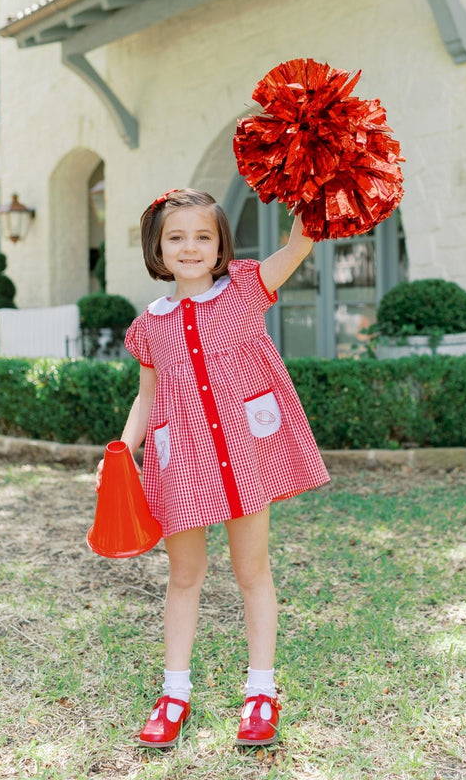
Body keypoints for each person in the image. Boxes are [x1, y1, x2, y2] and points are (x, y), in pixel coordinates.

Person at [95, 188, 330, 748]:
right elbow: (147, 397)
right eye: (176, 237)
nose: (191, 247)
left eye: (203, 236)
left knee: (252, 573)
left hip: (246, 458)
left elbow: (301, 241)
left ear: (222, 243)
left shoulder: (248, 289)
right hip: (182, 465)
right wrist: (122, 452)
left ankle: (261, 692)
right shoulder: (150, 324)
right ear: (157, 248)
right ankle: (174, 693)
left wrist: (310, 190)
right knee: (184, 577)